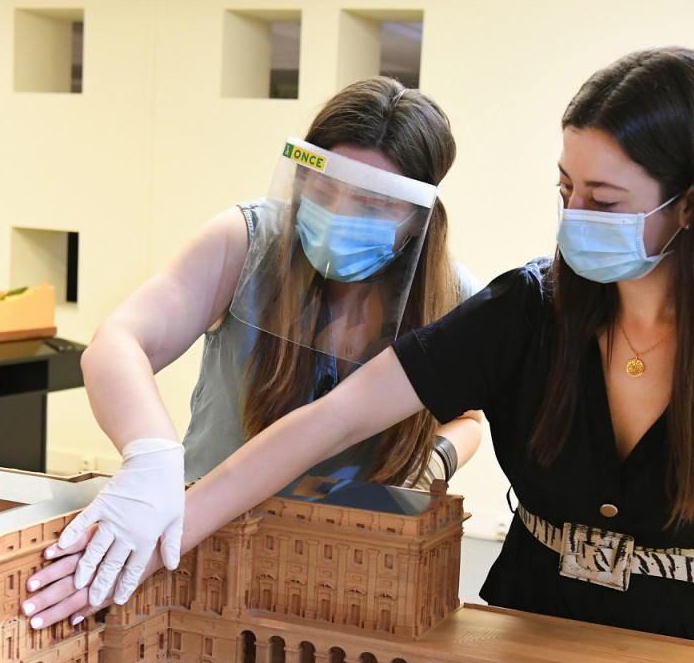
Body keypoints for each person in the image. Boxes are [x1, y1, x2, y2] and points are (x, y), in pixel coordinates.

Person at [28, 47, 694, 658]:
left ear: (690, 206)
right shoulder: (523, 310)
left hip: (691, 649)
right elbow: (332, 418)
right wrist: (164, 510)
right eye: (564, 191)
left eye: (604, 203)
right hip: (523, 637)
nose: (575, 217)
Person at [34, 77, 483, 611]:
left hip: (352, 557)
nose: (339, 214)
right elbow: (120, 341)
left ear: (417, 217)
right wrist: (150, 456)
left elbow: (471, 417)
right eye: (322, 187)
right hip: (203, 536)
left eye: (371, 203)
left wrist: (434, 460)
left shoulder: (451, 297)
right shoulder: (246, 242)